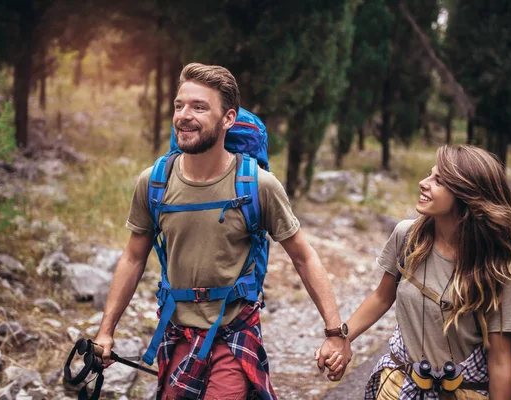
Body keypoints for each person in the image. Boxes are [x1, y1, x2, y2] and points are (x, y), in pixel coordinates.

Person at [93, 63, 352, 400]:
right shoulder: (155, 182)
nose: (184, 115)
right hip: (177, 335)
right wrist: (105, 332)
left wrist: (335, 331)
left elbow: (303, 257)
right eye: (179, 105)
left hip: (234, 332)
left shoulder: (258, 185)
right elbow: (132, 257)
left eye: (199, 107)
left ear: (228, 118)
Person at [323, 145, 511, 399]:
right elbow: (381, 297)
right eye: (429, 174)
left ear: (467, 194)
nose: (423, 183)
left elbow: (500, 362)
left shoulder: (497, 271)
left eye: (439, 180)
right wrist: (341, 337)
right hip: (397, 388)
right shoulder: (408, 237)